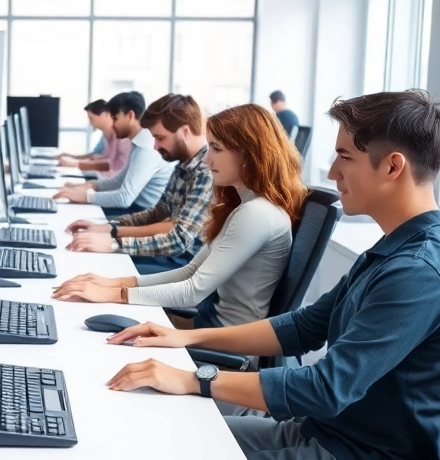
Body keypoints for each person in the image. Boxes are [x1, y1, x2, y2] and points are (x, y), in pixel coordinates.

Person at [104, 90, 440, 460]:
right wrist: (189, 338)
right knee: (169, 435)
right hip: (328, 436)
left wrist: (195, 378)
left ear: (392, 166)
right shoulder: (399, 248)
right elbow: (305, 327)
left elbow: (326, 389)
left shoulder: (421, 272)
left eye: (344, 157)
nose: (331, 172)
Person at [55, 104, 307, 329]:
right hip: (208, 324)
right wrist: (112, 283)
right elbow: (190, 272)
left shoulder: (257, 213)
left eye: (216, 149)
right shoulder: (243, 206)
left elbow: (194, 291)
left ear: (249, 155)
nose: (207, 160)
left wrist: (114, 294)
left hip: (223, 345)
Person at [64, 94, 214, 276]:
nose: (155, 146)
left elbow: (179, 240)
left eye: (160, 138)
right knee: (90, 255)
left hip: (185, 264)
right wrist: (108, 227)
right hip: (169, 255)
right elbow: (157, 213)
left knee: (104, 268)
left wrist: (113, 241)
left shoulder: (206, 170)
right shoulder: (184, 165)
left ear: (185, 132)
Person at [53, 91, 171, 216]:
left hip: (141, 213)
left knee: (78, 214)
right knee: (75, 208)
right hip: (133, 208)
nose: (112, 124)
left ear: (130, 116)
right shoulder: (137, 142)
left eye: (115, 118)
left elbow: (124, 198)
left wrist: (87, 196)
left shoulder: (147, 148)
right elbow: (119, 180)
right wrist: (90, 185)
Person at [58, 99, 129, 177]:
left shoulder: (122, 137)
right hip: (106, 177)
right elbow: (97, 157)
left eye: (91, 119)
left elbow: (109, 164)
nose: (90, 123)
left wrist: (74, 163)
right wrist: (72, 159)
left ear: (105, 114)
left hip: (113, 180)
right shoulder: (105, 136)